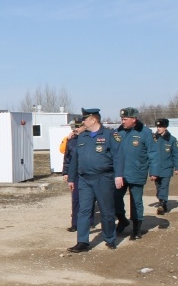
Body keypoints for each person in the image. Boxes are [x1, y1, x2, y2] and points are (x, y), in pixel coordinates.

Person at [67, 108, 123, 253]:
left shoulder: (110, 135)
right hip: (85, 179)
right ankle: (82, 242)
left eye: (85, 119)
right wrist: (71, 178)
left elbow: (118, 156)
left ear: (93, 119)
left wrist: (118, 175)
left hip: (103, 178)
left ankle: (110, 238)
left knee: (107, 211)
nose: (83, 122)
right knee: (83, 211)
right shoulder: (82, 137)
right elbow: (75, 159)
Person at [112, 107, 160, 240]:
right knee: (115, 198)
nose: (123, 122)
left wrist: (154, 172)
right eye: (122, 119)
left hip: (137, 172)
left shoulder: (145, 133)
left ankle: (136, 229)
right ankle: (122, 219)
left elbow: (153, 153)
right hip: (120, 174)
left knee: (136, 201)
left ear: (134, 119)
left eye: (125, 119)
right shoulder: (118, 132)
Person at [61, 118, 86, 232]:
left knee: (88, 198)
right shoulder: (71, 141)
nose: (76, 129)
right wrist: (66, 172)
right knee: (75, 198)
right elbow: (67, 158)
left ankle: (88, 221)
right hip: (75, 173)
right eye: (74, 127)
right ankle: (75, 223)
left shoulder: (90, 138)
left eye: (78, 126)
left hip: (87, 172)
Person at [153, 118, 178, 215]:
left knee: (164, 186)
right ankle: (163, 202)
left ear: (165, 127)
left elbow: (176, 154)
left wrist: (177, 167)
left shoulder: (172, 140)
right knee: (158, 187)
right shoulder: (154, 139)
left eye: (160, 127)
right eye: (157, 127)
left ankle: (162, 203)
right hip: (156, 168)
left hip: (167, 167)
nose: (158, 129)